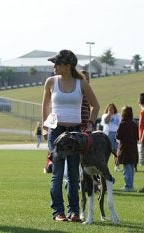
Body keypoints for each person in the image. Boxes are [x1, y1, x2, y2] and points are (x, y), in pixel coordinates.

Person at [42, 49, 100, 222]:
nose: (54, 66)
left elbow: (95, 106)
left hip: (75, 133)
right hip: (56, 132)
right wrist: (45, 128)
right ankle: (58, 212)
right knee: (57, 174)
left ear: (68, 65)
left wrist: (90, 124)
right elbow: (45, 107)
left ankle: (74, 211)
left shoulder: (81, 83)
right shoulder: (50, 82)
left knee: (74, 174)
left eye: (57, 63)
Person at [116, 106, 139, 192]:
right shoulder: (134, 124)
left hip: (125, 149)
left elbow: (118, 136)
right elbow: (137, 137)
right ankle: (130, 185)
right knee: (131, 167)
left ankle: (128, 186)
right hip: (133, 148)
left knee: (127, 168)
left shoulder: (123, 124)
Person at [101, 103, 121, 172]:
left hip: (117, 134)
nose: (111, 109)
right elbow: (106, 122)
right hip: (109, 134)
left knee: (117, 151)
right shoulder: (105, 115)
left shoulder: (118, 115)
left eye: (112, 108)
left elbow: (120, 124)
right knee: (108, 150)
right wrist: (109, 114)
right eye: (110, 108)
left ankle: (117, 165)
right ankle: (104, 165)